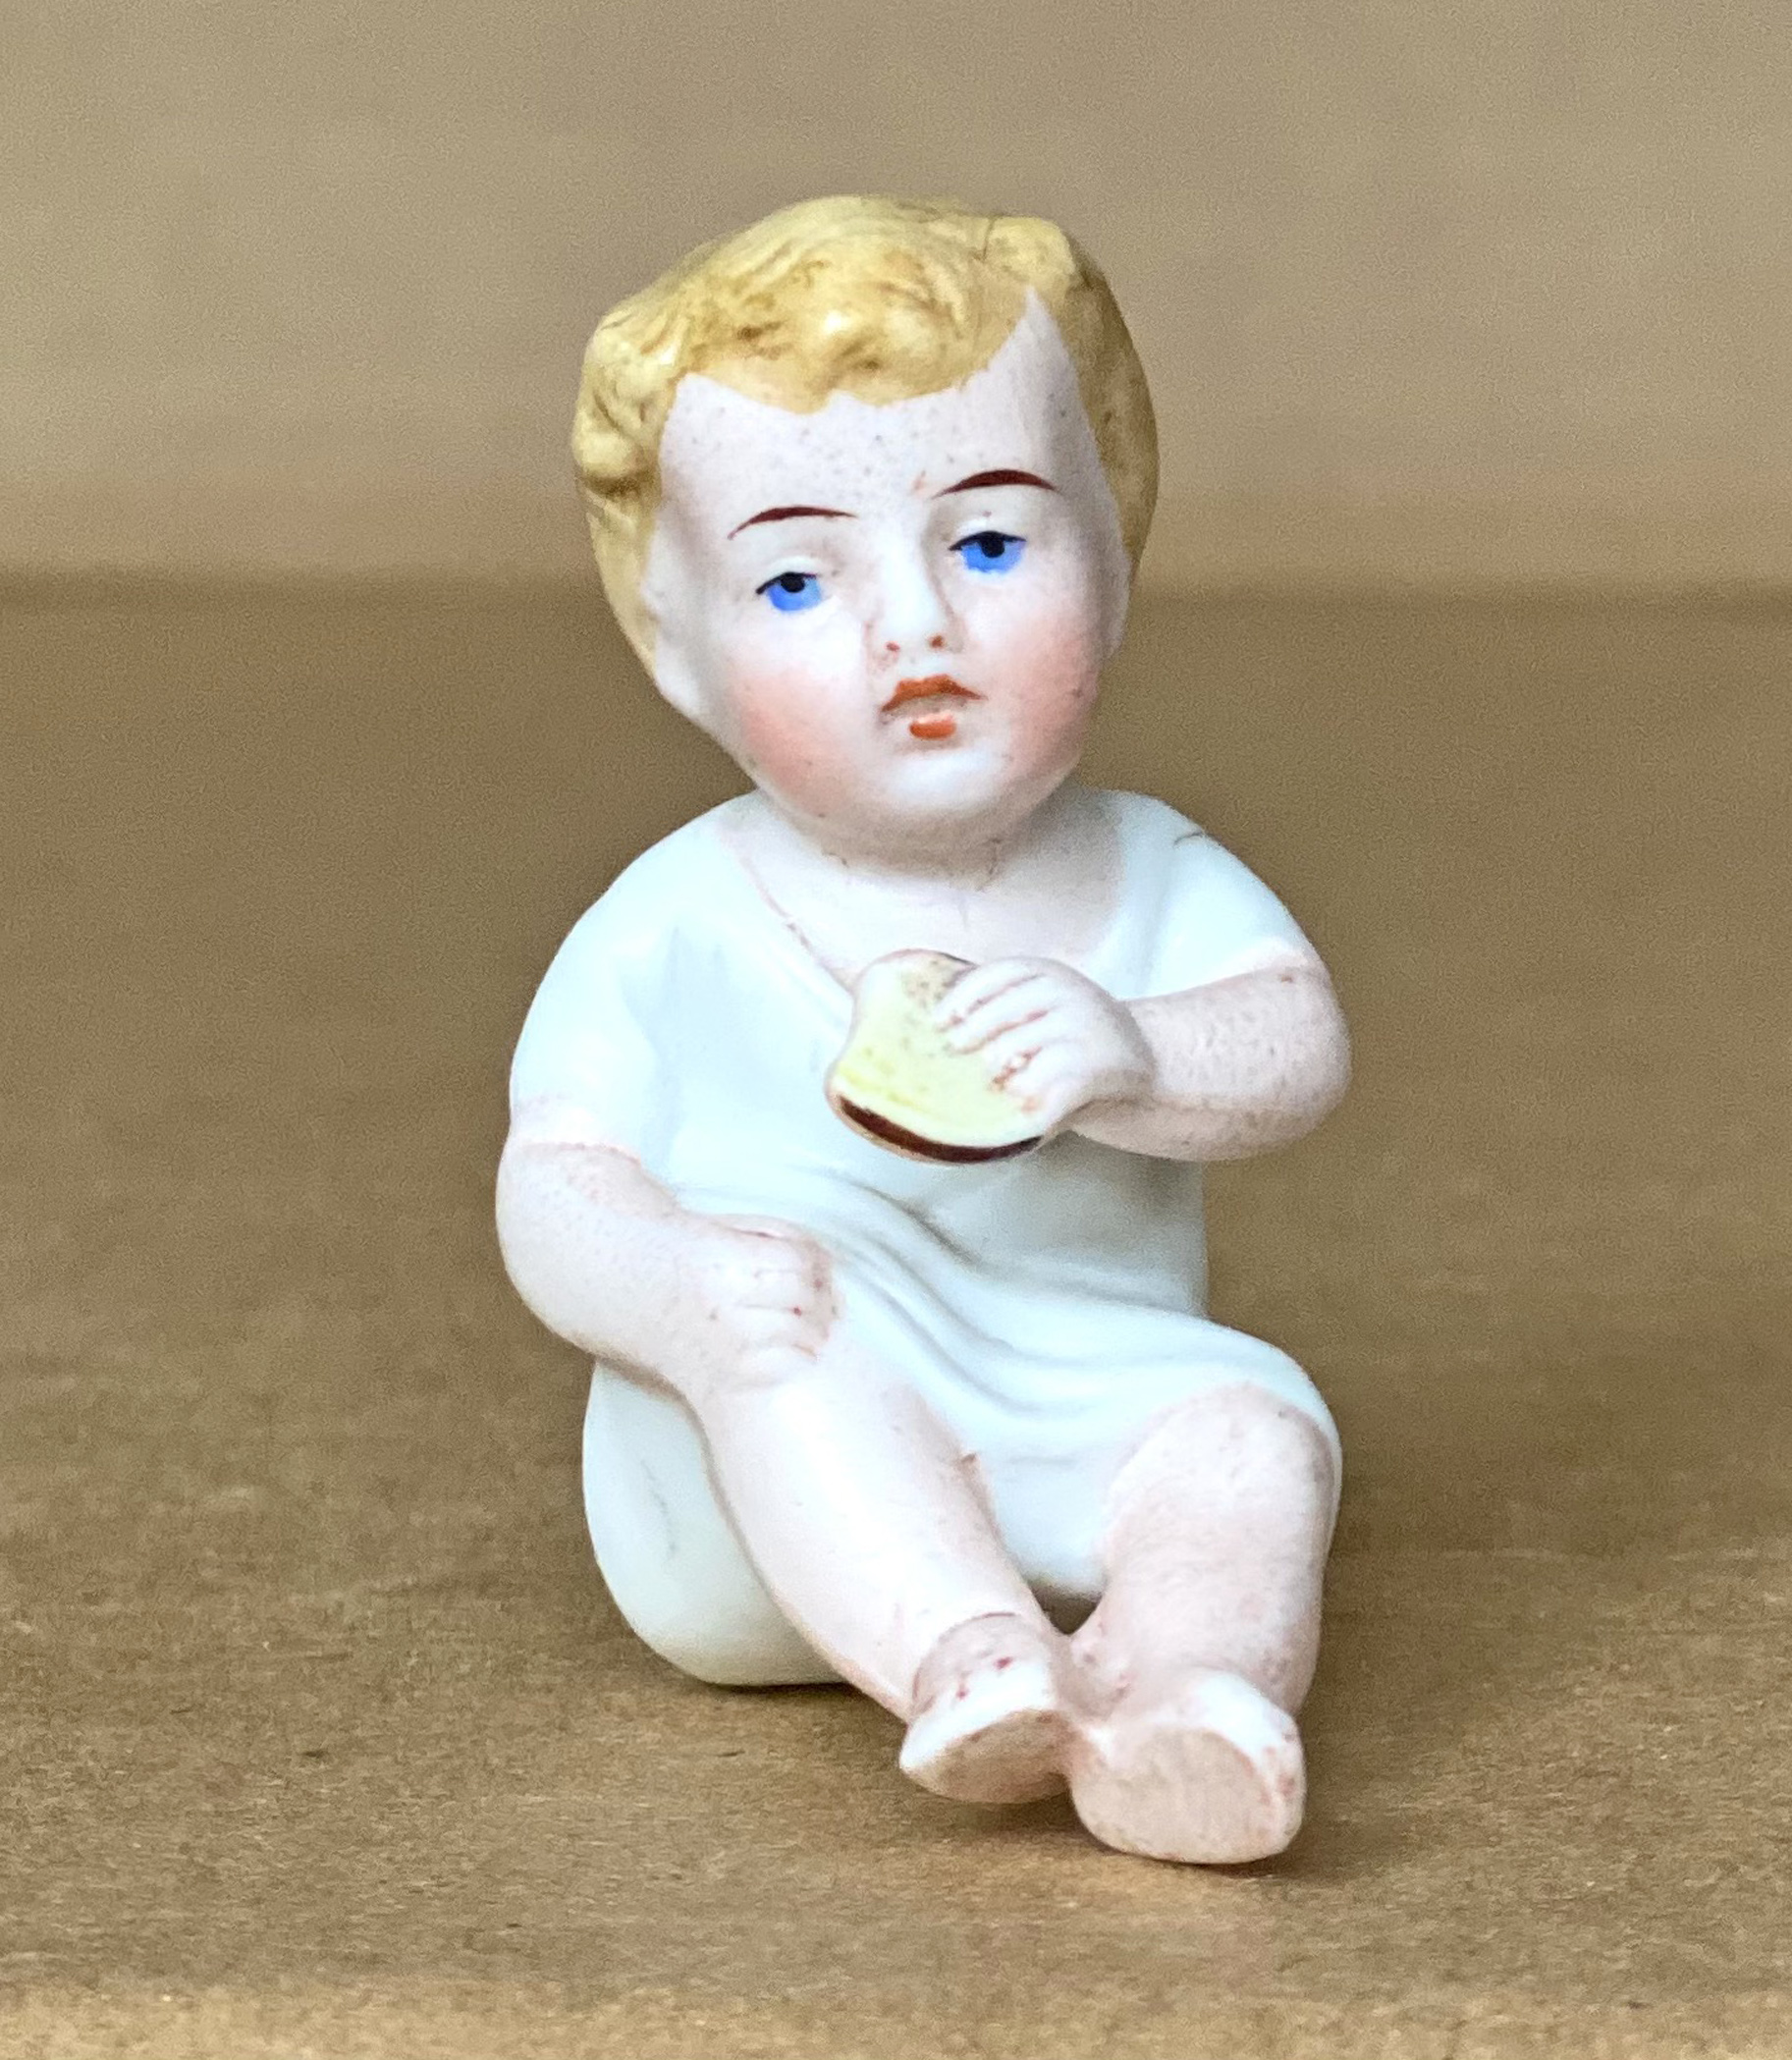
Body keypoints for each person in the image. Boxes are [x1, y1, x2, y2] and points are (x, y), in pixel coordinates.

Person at [495, 195, 1350, 1864]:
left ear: (1115, 554)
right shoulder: (679, 920)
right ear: (678, 646)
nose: (915, 627)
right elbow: (557, 1172)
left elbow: (1293, 1043)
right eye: (796, 577)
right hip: (759, 1450)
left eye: (989, 545)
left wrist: (1135, 1051)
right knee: (798, 1350)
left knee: (1251, 1438)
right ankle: (971, 1654)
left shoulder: (1147, 870)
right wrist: (674, 1282)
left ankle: (1182, 1688)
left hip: (1083, 1387)